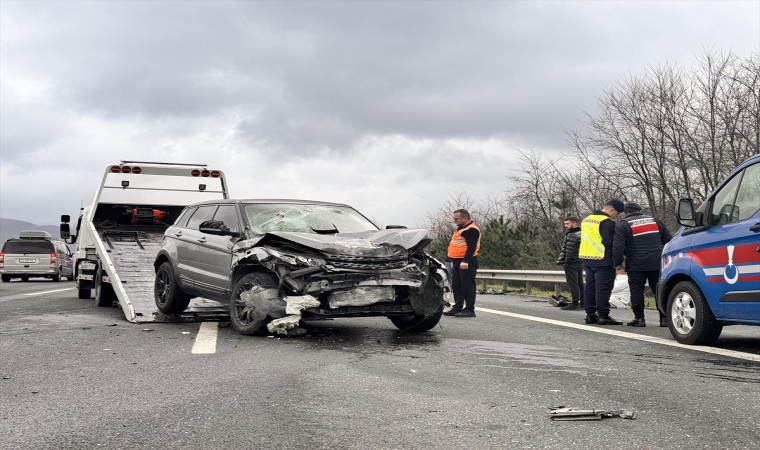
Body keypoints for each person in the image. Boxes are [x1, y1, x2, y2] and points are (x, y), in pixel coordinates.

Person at [612, 202, 672, 327]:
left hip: (636, 263)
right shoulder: (656, 222)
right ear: (640, 210)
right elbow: (668, 240)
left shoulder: (623, 225)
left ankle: (639, 319)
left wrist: (617, 263)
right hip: (657, 262)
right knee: (659, 290)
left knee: (636, 290)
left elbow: (618, 246)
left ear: (625, 212)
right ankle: (664, 319)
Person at [579, 199, 625, 325]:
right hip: (602, 259)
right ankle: (603, 315)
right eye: (618, 213)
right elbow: (609, 242)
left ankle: (590, 315)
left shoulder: (587, 219)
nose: (618, 216)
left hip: (587, 258)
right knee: (603, 288)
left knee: (590, 287)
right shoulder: (607, 222)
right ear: (612, 210)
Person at [443, 209, 481, 318]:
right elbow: (455, 246)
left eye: (456, 218)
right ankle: (457, 307)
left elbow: (471, 247)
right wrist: (451, 260)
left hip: (466, 261)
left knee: (467, 285)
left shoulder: (471, 229)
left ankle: (469, 309)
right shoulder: (460, 229)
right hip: (456, 261)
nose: (454, 220)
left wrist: (465, 261)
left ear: (465, 218)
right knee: (457, 285)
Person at [556, 216, 584, 310]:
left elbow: (569, 251)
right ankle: (583, 303)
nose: (565, 226)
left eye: (567, 224)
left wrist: (566, 262)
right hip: (580, 261)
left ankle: (575, 303)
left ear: (574, 223)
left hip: (572, 263)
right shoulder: (581, 233)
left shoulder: (572, 235)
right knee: (580, 284)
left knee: (573, 284)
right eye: (565, 224)